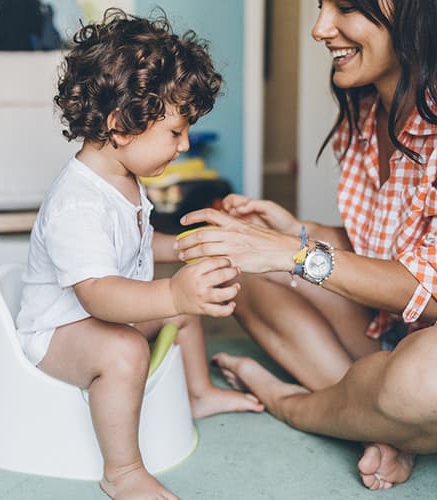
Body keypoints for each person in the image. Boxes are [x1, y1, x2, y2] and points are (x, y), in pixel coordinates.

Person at [174, 0, 437, 491]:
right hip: (394, 333)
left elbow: (434, 294)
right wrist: (298, 233)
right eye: (321, 7)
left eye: (346, 8)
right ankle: (388, 426)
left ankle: (292, 403)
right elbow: (394, 246)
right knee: (235, 272)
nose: (321, 29)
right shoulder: (367, 112)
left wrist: (292, 253)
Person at [16, 9, 263, 500]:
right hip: (58, 331)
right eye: (175, 133)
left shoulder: (124, 179)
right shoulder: (78, 201)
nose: (185, 144)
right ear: (120, 125)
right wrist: (173, 291)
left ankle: (197, 393)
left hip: (97, 314)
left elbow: (134, 244)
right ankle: (123, 471)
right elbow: (100, 296)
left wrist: (184, 249)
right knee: (126, 349)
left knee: (182, 316)